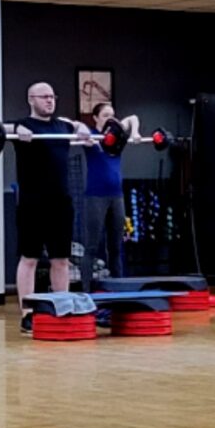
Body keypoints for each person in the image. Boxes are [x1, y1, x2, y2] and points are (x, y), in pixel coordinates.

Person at [5, 82, 91, 334]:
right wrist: (16, 129)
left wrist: (83, 127)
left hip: (60, 203)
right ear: (31, 99)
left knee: (61, 260)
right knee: (29, 258)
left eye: (52, 96)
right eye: (44, 97)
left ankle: (61, 309)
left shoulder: (62, 126)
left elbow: (75, 125)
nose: (50, 101)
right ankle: (27, 314)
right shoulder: (23, 125)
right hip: (32, 203)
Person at [81, 102, 140, 289]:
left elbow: (132, 118)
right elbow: (72, 126)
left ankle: (118, 287)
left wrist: (136, 133)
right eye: (106, 115)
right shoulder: (90, 136)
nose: (111, 119)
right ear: (96, 118)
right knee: (91, 246)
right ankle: (86, 291)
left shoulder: (117, 137)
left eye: (112, 115)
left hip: (117, 197)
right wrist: (82, 133)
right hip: (95, 197)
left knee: (115, 247)